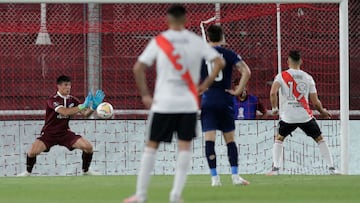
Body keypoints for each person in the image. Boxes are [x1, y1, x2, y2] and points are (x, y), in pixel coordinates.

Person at [123, 5, 224, 203]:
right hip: (187, 104)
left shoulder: (160, 40)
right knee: (184, 148)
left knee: (151, 147)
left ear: (168, 20)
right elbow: (219, 62)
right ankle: (176, 195)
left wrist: (145, 95)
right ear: (185, 20)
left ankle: (141, 195)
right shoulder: (196, 41)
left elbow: (138, 68)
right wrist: (204, 85)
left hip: (164, 104)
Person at [267, 50, 340, 175]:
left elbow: (273, 93)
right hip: (305, 116)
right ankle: (332, 168)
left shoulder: (281, 76)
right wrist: (322, 112)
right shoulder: (308, 77)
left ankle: (275, 169)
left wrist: (274, 108)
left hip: (288, 117)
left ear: (288, 61)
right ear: (301, 61)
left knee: (279, 138)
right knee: (320, 139)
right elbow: (315, 102)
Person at [17, 75, 105, 176]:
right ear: (58, 86)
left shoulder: (73, 100)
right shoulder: (52, 100)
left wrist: (94, 107)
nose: (68, 87)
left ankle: (86, 171)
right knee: (32, 152)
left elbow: (85, 114)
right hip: (49, 133)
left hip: (65, 133)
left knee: (88, 147)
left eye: (69, 85)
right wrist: (82, 106)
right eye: (65, 85)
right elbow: (64, 112)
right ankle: (27, 173)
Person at [200, 24, 251, 187]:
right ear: (222, 38)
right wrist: (238, 91)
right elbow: (246, 72)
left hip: (208, 100)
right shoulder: (229, 54)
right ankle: (235, 177)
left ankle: (215, 179)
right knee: (230, 140)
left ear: (207, 38)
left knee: (209, 140)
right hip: (225, 98)